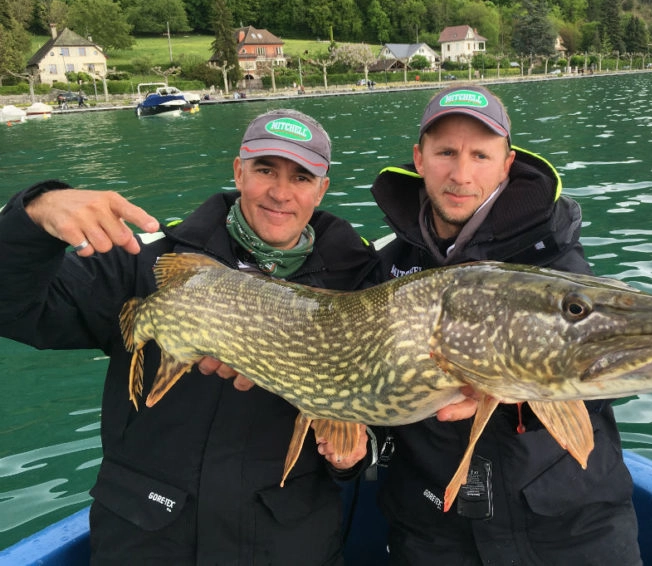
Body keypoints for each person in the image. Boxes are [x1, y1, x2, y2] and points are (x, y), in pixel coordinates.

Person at [0, 109, 378, 565]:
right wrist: (35, 214)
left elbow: (372, 421)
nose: (280, 193)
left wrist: (350, 458)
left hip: (285, 546)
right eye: (264, 170)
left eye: (301, 177)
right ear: (239, 172)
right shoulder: (143, 263)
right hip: (148, 541)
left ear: (322, 189)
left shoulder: (359, 288)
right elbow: (13, 308)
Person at [370, 86, 642, 565]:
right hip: (435, 528)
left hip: (570, 523)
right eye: (446, 153)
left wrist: (528, 391)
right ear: (419, 158)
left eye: (480, 155)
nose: (461, 174)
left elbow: (607, 370)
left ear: (506, 163)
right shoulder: (386, 267)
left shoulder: (553, 259)